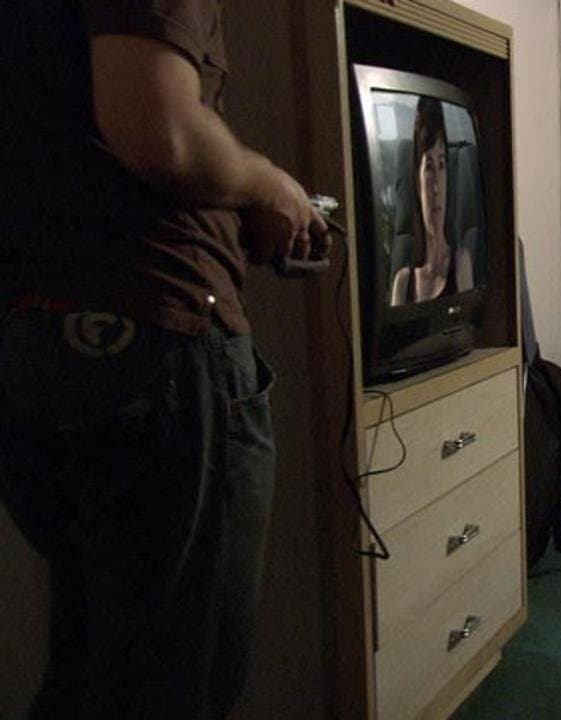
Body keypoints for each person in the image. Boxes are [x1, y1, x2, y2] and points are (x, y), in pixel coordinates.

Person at [0, 2, 331, 717]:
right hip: (153, 339)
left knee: (93, 669)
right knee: (174, 684)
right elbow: (160, 132)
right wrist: (268, 182)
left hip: (42, 334)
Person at [390, 97, 473, 305]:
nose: (436, 188)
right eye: (428, 167)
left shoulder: (461, 265)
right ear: (417, 182)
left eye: (442, 165)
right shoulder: (403, 282)